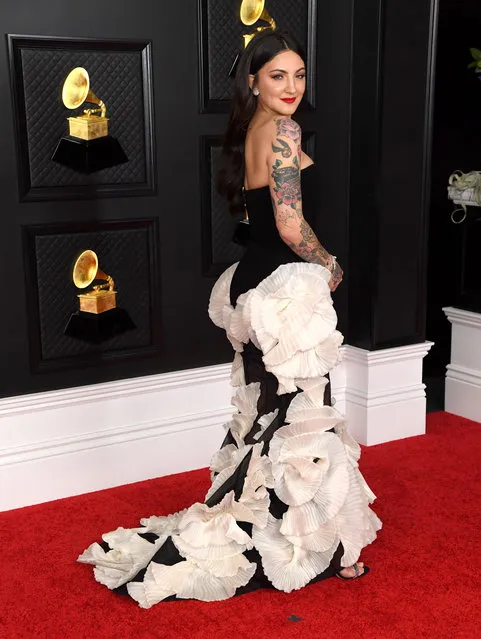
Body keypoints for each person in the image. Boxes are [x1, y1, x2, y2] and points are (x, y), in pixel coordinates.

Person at [77, 30, 381, 607]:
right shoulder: (285, 132)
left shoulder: (251, 129)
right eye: (278, 76)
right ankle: (323, 546)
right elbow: (289, 224)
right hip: (287, 287)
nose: (292, 87)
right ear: (253, 80)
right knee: (304, 413)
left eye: (299, 75)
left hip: (255, 281)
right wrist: (329, 262)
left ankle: (273, 524)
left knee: (270, 411)